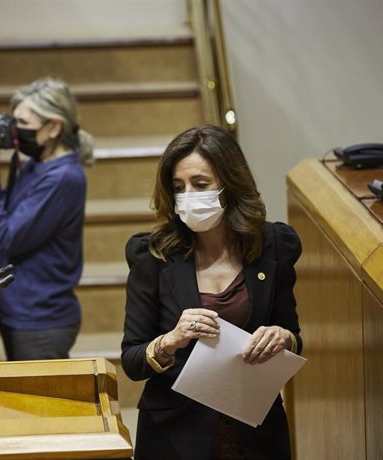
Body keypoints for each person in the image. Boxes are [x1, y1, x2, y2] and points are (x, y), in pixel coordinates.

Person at [121, 124, 302, 459]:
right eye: (179, 187)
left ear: (228, 185)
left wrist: (282, 338)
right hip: (175, 434)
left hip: (255, 430)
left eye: (200, 184)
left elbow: (293, 334)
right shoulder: (153, 254)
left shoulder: (273, 245)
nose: (189, 195)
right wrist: (171, 340)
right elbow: (132, 359)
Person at [0, 77, 94, 361]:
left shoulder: (63, 178)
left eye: (23, 124)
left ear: (54, 127)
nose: (15, 131)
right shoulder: (33, 163)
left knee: (41, 404)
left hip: (41, 321)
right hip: (19, 311)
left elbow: (7, 238)